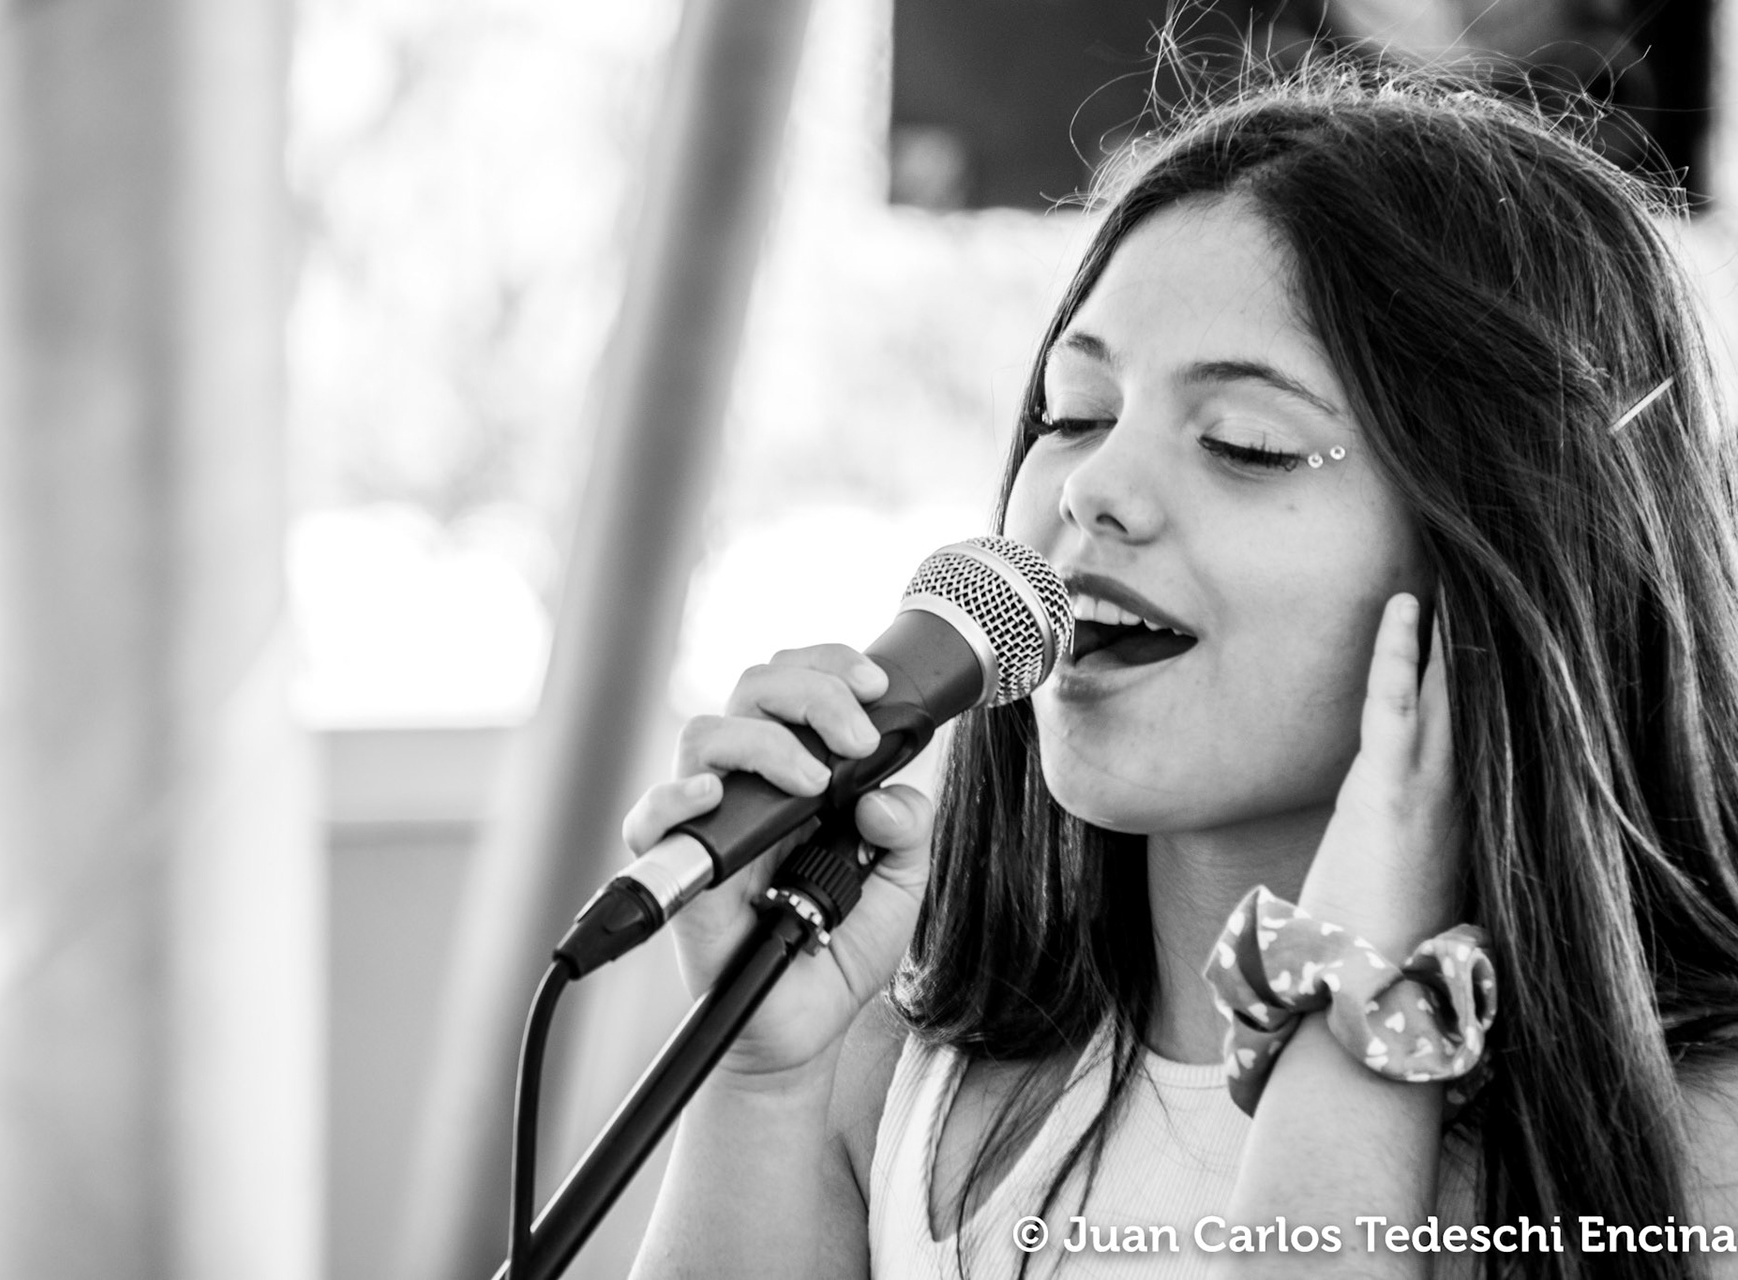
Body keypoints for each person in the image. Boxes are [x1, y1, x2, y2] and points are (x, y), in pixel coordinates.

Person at [622, 60, 1738, 1280]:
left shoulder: (1685, 1142)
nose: (1093, 487)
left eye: (1247, 443)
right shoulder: (886, 1072)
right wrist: (759, 1073)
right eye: (1073, 414)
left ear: (1520, 541)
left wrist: (1354, 1017)